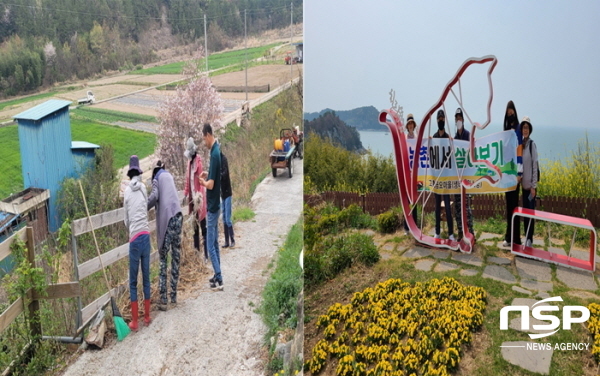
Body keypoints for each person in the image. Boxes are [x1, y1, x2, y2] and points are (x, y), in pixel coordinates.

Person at [147, 160, 183, 311]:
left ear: (154, 171)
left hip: (168, 220)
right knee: (175, 257)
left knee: (163, 258)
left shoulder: (156, 179)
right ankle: (173, 296)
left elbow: (155, 196)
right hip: (178, 217)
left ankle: (163, 299)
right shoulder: (169, 176)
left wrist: (142, 206)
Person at [123, 155, 151, 330]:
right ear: (139, 172)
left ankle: (135, 321)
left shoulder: (126, 192)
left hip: (134, 238)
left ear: (129, 173)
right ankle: (147, 317)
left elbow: (126, 219)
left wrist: (132, 227)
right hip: (146, 235)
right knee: (146, 278)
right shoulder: (143, 188)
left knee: (133, 281)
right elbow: (146, 209)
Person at [199, 123, 224, 291]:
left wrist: (202, 182)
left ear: (208, 135)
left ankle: (220, 278)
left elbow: (211, 185)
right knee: (214, 243)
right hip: (217, 204)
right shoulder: (216, 151)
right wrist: (208, 175)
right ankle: (217, 275)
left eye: (204, 139)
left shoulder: (214, 155)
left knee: (210, 245)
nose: (204, 142)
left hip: (213, 206)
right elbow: (214, 177)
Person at [502, 100, 523, 247]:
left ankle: (516, 238)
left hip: (515, 174)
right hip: (507, 174)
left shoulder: (518, 130)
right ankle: (508, 237)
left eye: (512, 113)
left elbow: (519, 151)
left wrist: (519, 172)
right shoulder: (505, 131)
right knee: (508, 206)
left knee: (515, 206)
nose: (510, 115)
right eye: (508, 114)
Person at [184, 137, 208, 260]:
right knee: (194, 226)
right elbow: (188, 181)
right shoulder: (189, 163)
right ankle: (197, 253)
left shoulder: (198, 161)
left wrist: (199, 196)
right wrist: (185, 193)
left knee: (203, 224)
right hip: (192, 200)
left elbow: (201, 179)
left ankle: (206, 253)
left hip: (199, 197)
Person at [433, 109, 455, 241]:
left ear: (444, 120)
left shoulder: (448, 137)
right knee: (436, 206)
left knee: (447, 205)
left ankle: (451, 233)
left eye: (442, 118)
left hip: (446, 177)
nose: (440, 120)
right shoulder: (434, 137)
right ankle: (437, 232)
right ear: (437, 120)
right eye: (439, 118)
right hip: (436, 177)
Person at [453, 108, 474, 241]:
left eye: (460, 118)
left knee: (466, 207)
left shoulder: (468, 135)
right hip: (456, 178)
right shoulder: (455, 138)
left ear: (463, 120)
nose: (458, 120)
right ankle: (460, 232)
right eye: (456, 119)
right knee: (457, 207)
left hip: (467, 178)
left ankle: (471, 232)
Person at [520, 116, 538, 247]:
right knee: (525, 214)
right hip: (523, 187)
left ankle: (530, 239)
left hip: (530, 188)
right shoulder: (521, 145)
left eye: (527, 128)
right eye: (523, 127)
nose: (525, 130)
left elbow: (534, 165)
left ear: (529, 130)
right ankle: (526, 237)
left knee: (530, 214)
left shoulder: (532, 145)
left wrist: (534, 186)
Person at [403, 113, 419, 234]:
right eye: (408, 123)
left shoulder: (417, 138)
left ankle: (415, 225)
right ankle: (407, 227)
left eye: (411, 123)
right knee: (407, 200)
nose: (410, 125)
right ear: (407, 125)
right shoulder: (404, 138)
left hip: (416, 174)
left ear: (414, 125)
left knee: (415, 200)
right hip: (406, 174)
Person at [221, 150, 235, 248]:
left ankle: (232, 240)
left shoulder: (223, 159)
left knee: (228, 218)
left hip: (227, 193)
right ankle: (226, 241)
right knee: (224, 219)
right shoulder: (216, 161)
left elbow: (225, 174)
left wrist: (217, 176)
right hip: (222, 194)